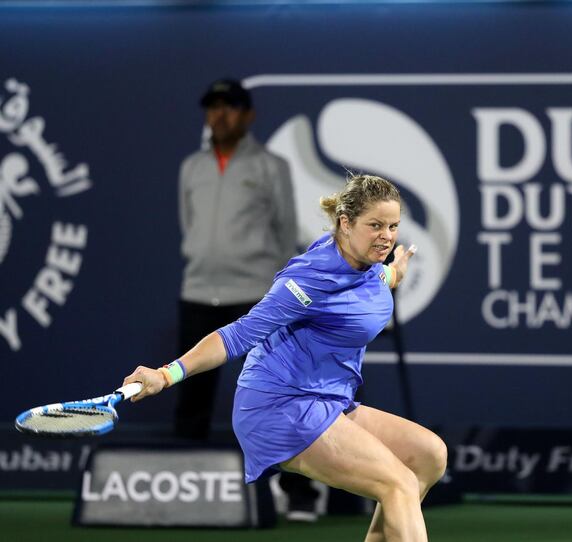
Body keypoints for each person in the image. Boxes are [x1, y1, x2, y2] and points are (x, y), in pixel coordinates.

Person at [124, 174, 448, 541]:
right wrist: (167, 375)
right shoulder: (308, 281)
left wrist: (393, 273)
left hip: (327, 398)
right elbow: (237, 334)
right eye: (375, 225)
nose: (386, 236)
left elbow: (371, 282)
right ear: (345, 223)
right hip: (279, 405)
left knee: (429, 455)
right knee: (398, 483)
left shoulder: (366, 263)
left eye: (392, 226)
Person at [174, 77, 296, 441]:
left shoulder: (271, 166)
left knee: (270, 393)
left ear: (248, 115)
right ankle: (181, 481)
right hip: (197, 292)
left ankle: (293, 491)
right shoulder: (191, 167)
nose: (220, 115)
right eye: (213, 107)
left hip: (253, 295)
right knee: (191, 395)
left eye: (229, 107)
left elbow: (285, 231)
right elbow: (188, 224)